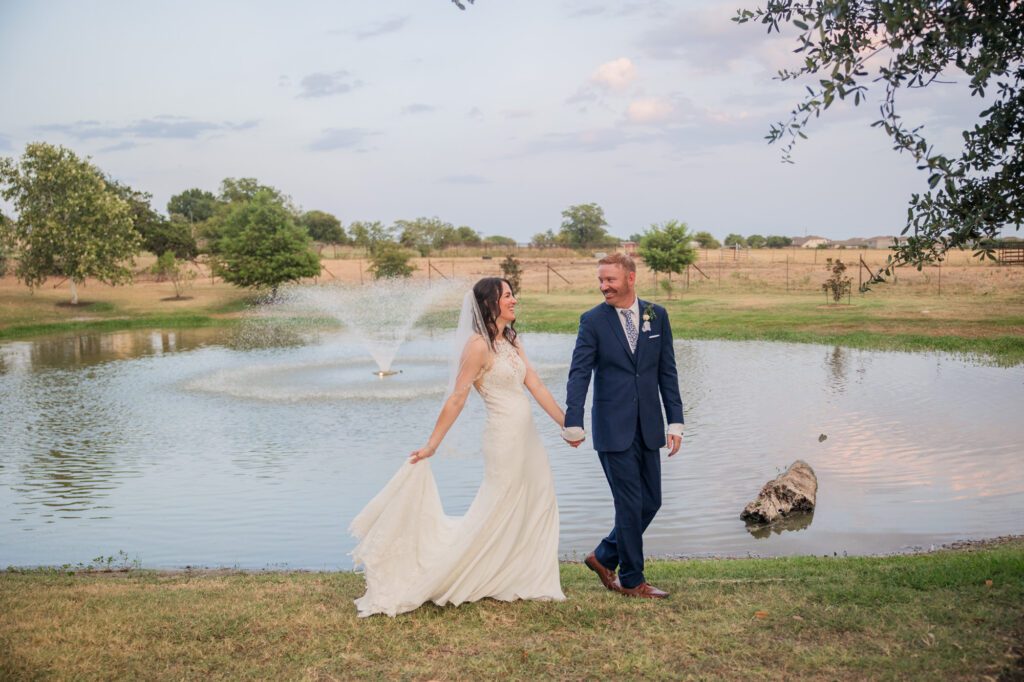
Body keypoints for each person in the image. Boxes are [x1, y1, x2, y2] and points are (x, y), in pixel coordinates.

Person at [349, 277, 567, 617]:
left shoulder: (511, 339)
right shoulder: (478, 346)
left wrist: (565, 423)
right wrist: (432, 445)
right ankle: (469, 573)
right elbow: (457, 398)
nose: (513, 300)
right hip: (503, 438)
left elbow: (535, 384)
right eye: (507, 296)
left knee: (539, 498)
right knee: (499, 507)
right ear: (488, 304)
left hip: (529, 437)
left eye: (512, 294)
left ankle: (522, 573)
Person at [562, 253, 684, 599]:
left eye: (610, 280)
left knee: (651, 502)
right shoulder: (593, 321)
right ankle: (632, 580)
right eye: (600, 280)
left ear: (631, 278)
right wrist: (574, 421)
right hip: (611, 428)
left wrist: (675, 421)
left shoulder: (656, 316)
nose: (604, 287)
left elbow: (667, 372)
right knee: (629, 504)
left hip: (649, 426)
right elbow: (579, 373)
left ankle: (603, 556)